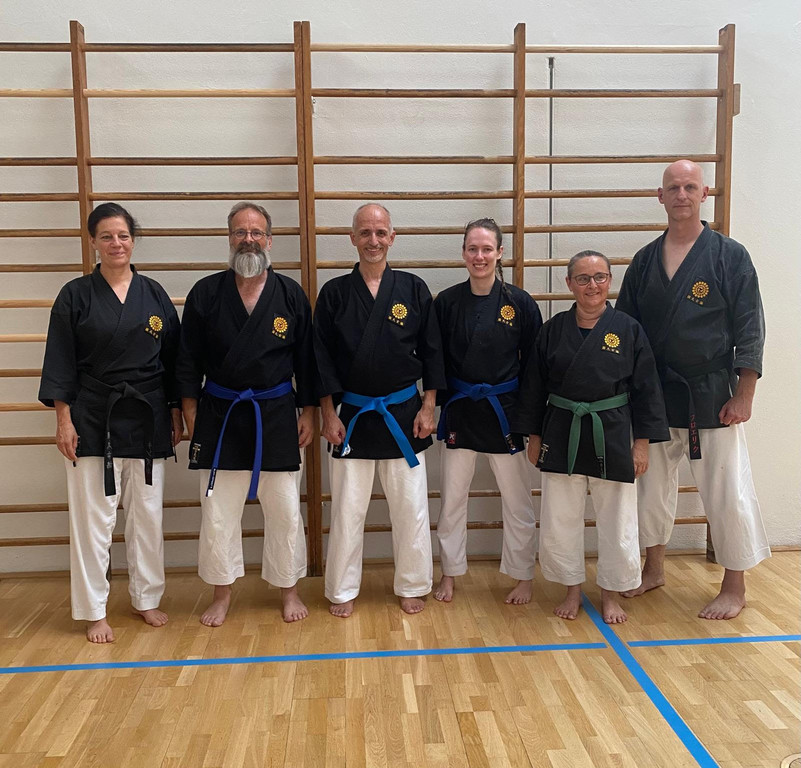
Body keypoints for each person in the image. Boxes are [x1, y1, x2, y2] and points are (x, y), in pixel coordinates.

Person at [615, 160, 770, 620]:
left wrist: (744, 393)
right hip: (656, 393)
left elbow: (750, 325)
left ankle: (735, 585)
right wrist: (628, 393)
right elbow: (626, 331)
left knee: (725, 490)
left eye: (689, 187)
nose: (681, 194)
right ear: (660, 196)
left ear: (705, 194)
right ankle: (654, 568)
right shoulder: (645, 261)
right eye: (673, 187)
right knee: (651, 488)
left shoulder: (729, 256)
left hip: (711, 392)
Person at [39, 202, 182, 643]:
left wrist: (175, 412)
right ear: (93, 243)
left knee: (147, 516)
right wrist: (63, 420)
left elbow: (174, 362)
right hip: (93, 415)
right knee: (93, 521)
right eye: (106, 236)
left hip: (147, 416)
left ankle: (146, 598)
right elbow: (60, 361)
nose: (116, 243)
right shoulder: (75, 295)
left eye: (123, 235)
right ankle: (94, 610)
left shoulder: (154, 294)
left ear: (133, 240)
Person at [176, 202, 316, 626]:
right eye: (240, 232)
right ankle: (221, 593)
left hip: (277, 413)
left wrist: (309, 412)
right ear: (230, 239)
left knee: (285, 509)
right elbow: (187, 361)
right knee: (218, 512)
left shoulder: (289, 293)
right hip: (220, 414)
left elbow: (307, 361)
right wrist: (190, 415)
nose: (248, 239)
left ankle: (288, 589)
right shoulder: (205, 293)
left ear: (269, 240)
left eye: (256, 233)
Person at [516, 251, 669, 623]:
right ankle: (572, 590)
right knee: (560, 516)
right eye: (583, 278)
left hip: (612, 429)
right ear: (569, 283)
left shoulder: (629, 329)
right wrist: (533, 436)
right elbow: (533, 386)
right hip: (561, 428)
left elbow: (647, 389)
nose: (592, 285)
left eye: (600, 277)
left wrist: (642, 443)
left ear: (610, 281)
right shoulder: (552, 330)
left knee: (617, 517)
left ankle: (611, 594)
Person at [314, 203, 446, 618]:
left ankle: (412, 583)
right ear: (352, 238)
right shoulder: (334, 293)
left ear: (392, 237)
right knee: (347, 510)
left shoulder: (412, 288)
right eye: (365, 233)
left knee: (410, 509)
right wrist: (328, 414)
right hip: (351, 416)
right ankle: (342, 588)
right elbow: (321, 358)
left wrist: (429, 406)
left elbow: (433, 352)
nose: (373, 240)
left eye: (380, 232)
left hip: (404, 413)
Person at [433, 218, 541, 605]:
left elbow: (535, 367)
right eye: (472, 249)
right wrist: (434, 406)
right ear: (463, 253)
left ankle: (523, 575)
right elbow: (434, 361)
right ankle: (449, 573)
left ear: (500, 253)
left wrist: (531, 422)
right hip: (461, 410)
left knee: (517, 500)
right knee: (452, 500)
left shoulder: (520, 303)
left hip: (505, 412)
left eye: (487, 249)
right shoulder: (446, 303)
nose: (479, 256)